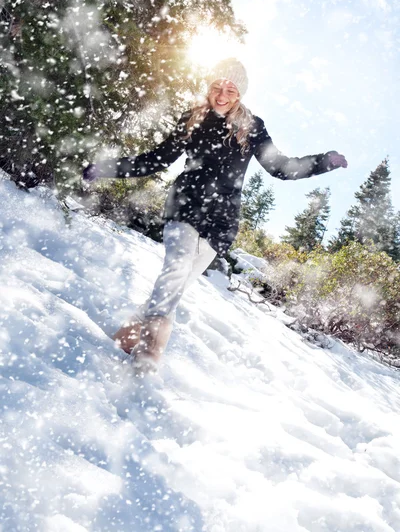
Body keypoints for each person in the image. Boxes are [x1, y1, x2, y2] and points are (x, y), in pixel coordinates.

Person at [83, 58, 347, 373]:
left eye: (231, 89)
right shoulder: (191, 119)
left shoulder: (253, 127)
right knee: (176, 267)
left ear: (241, 93)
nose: (222, 95)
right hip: (185, 205)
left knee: (177, 284)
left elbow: (281, 167)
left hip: (221, 220)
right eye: (216, 87)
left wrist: (323, 161)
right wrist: (108, 167)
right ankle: (147, 353)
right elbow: (157, 159)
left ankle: (129, 335)